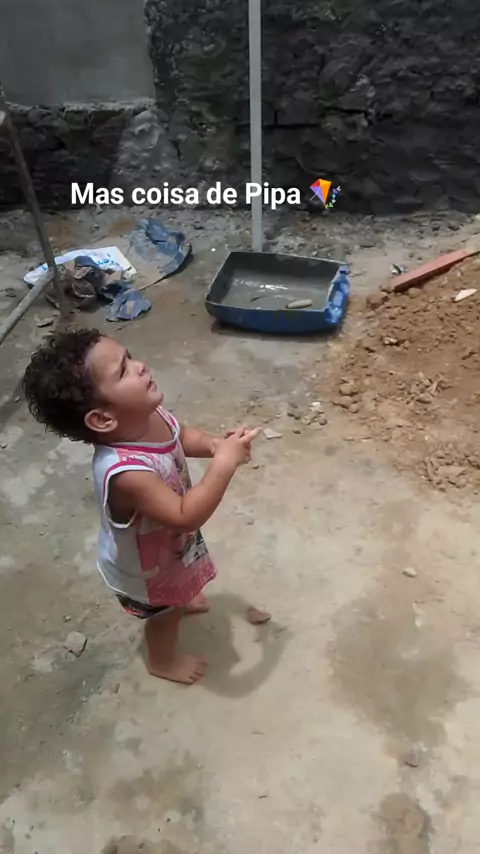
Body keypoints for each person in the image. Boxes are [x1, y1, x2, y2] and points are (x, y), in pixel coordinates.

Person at [22, 328, 260, 685]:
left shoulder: (148, 416)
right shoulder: (126, 474)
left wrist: (213, 445)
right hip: (145, 571)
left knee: (178, 592)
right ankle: (162, 661)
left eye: (130, 356)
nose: (141, 366)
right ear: (103, 419)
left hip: (167, 547)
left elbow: (180, 434)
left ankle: (180, 597)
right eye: (123, 371)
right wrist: (224, 464)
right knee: (165, 616)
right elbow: (185, 515)